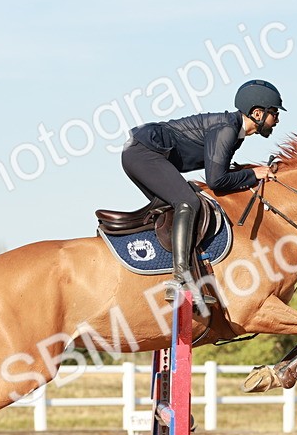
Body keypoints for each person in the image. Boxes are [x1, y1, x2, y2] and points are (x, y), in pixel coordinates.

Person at [121, 79, 285, 305]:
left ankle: (165, 273)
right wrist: (253, 174)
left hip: (140, 151)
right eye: (274, 113)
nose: (277, 119)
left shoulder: (233, 131)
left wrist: (249, 173)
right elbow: (216, 180)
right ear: (257, 113)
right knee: (188, 202)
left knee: (180, 207)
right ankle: (181, 281)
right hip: (144, 152)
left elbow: (220, 175)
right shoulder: (227, 129)